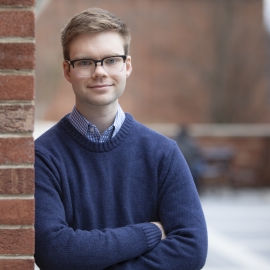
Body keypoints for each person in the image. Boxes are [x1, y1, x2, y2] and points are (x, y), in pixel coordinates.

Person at [35, 7, 207, 270]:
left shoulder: (163, 153)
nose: (100, 71)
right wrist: (147, 233)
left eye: (111, 60)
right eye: (85, 62)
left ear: (127, 66)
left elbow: (191, 249)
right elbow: (54, 251)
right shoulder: (44, 156)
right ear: (67, 71)